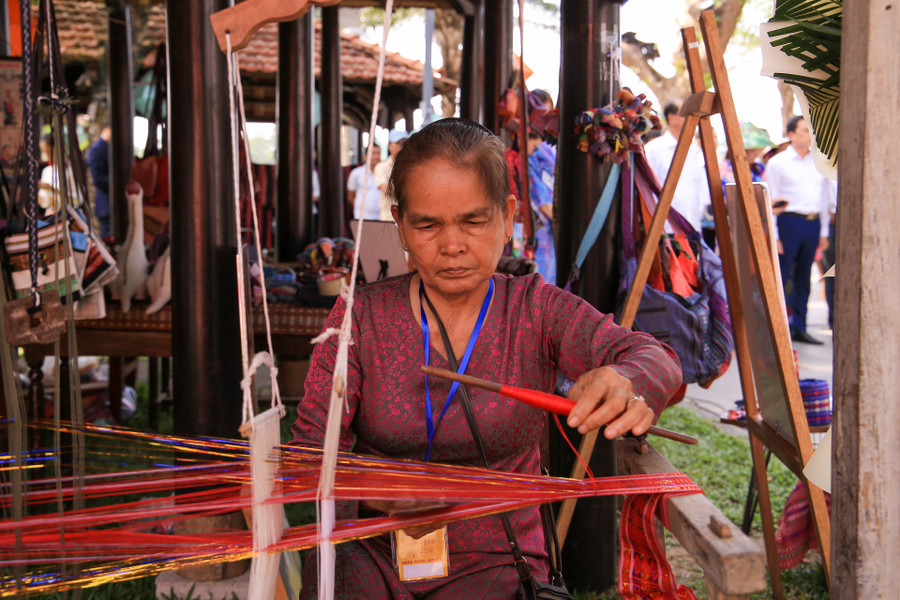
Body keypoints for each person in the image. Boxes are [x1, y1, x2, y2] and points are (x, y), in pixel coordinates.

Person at [292, 118, 682, 599]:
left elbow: (653, 356)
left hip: (499, 553)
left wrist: (627, 377)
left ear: (508, 215)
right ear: (400, 224)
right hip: (372, 548)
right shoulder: (361, 315)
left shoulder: (535, 310)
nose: (452, 245)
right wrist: (374, 490)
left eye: (473, 222)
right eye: (427, 225)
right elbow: (308, 453)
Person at [766, 116, 834, 345]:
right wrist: (775, 236)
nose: (809, 135)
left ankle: (800, 326)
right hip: (788, 222)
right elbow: (770, 200)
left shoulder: (819, 162)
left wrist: (823, 231)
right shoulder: (778, 163)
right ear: (791, 134)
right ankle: (778, 328)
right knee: (783, 276)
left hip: (812, 223)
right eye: (804, 130)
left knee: (804, 277)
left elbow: (824, 198)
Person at [645, 99, 710, 232]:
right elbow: (647, 190)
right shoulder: (654, 149)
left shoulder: (694, 151)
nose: (691, 118)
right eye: (686, 113)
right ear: (671, 118)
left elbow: (702, 190)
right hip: (664, 230)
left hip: (694, 229)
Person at [526, 128, 556, 284]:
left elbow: (542, 200)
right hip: (550, 224)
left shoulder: (533, 158)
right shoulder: (552, 152)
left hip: (543, 227)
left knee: (541, 278)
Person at [376, 129, 409, 221]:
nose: (401, 146)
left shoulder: (413, 166)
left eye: (404, 143)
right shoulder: (381, 167)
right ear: (389, 146)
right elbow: (387, 189)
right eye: (398, 143)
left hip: (408, 220)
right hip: (389, 220)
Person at [86, 126, 112, 237]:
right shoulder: (98, 149)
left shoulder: (107, 147)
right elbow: (97, 178)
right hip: (106, 204)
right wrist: (117, 182)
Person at [346, 143, 382, 221]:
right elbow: (351, 196)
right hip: (362, 218)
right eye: (373, 153)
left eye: (378, 153)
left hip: (382, 218)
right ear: (365, 156)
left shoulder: (385, 173)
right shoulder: (356, 173)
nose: (376, 157)